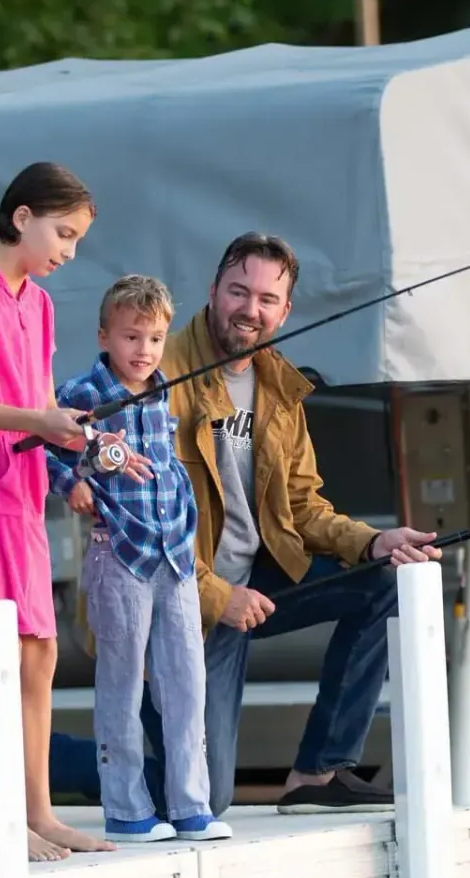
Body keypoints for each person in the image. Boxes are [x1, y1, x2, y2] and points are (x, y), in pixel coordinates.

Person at [139, 232, 441, 817]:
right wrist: (215, 594)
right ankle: (50, 755)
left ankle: (316, 771)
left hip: (258, 584)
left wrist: (374, 540)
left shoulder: (279, 383)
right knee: (203, 797)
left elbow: (303, 507)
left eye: (266, 299)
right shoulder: (160, 371)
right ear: (212, 292)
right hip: (178, 604)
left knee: (382, 580)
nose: (250, 310)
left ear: (285, 311)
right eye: (238, 292)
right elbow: (144, 520)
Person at [0, 160, 146, 862]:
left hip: (18, 493)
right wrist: (38, 422)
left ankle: (37, 812)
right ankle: (0, 820)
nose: (69, 252)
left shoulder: (38, 305)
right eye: (63, 233)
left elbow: (41, 409)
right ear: (22, 217)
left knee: (39, 649)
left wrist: (83, 436)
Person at [46, 275, 229, 843]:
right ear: (105, 336)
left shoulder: (165, 387)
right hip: (118, 553)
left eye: (154, 338)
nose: (143, 350)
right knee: (122, 682)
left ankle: (190, 805)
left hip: (174, 555)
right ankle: (126, 808)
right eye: (131, 337)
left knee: (186, 682)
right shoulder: (82, 392)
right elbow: (43, 452)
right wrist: (70, 482)